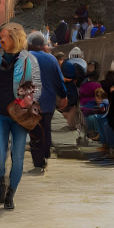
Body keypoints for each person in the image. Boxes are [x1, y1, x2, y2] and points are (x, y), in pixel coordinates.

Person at [0, 22, 41, 210]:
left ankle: (11, 193)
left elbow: (37, 87)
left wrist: (26, 101)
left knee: (18, 157)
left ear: (14, 38)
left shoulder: (29, 60)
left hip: (20, 116)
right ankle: (0, 183)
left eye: (3, 36)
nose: (0, 39)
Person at [26, 31, 67, 174]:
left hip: (31, 102)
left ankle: (38, 163)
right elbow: (58, 81)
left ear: (30, 44)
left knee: (35, 131)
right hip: (48, 101)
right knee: (46, 127)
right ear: (42, 45)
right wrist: (63, 96)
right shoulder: (51, 59)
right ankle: (45, 154)